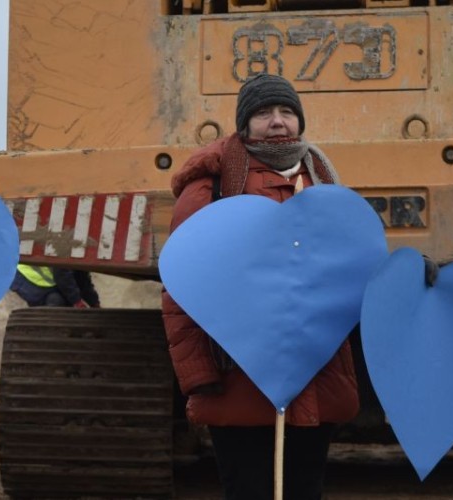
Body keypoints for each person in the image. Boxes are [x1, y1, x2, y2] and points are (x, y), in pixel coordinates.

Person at [160, 73, 359, 500]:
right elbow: (182, 286)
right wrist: (199, 376)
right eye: (264, 113)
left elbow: (349, 267)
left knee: (305, 489)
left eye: (287, 111)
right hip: (239, 377)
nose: (277, 121)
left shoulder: (323, 181)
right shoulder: (210, 189)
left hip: (316, 371)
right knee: (249, 488)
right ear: (244, 124)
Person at [10, 263, 101, 308]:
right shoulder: (68, 245)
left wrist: (94, 302)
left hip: (36, 277)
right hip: (28, 277)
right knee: (57, 301)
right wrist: (77, 302)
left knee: (66, 299)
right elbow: (62, 275)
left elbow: (81, 278)